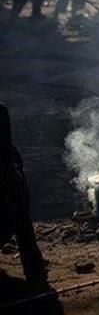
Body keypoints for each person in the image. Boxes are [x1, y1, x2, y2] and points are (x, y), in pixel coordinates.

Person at [0, 104, 47, 285]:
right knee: (24, 229)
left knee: (23, 227)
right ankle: (35, 272)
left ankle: (35, 272)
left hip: (10, 189)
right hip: (13, 188)